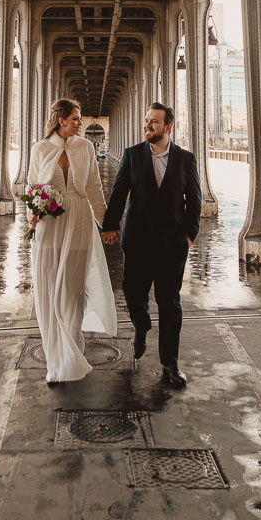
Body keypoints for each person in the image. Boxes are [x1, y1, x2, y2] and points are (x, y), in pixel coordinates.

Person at [101, 102, 201, 388]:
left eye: (154, 122)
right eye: (146, 120)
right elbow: (119, 191)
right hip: (138, 242)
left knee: (170, 303)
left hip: (172, 244)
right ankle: (142, 326)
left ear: (167, 127)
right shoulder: (132, 155)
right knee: (133, 295)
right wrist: (110, 225)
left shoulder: (186, 159)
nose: (147, 125)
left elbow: (194, 201)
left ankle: (170, 363)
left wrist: (189, 235)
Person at [27, 98, 117, 385]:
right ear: (61, 120)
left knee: (74, 290)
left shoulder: (85, 148)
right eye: (76, 118)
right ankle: (55, 359)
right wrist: (34, 212)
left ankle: (72, 352)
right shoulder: (40, 149)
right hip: (50, 224)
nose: (81, 123)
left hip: (78, 220)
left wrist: (107, 224)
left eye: (79, 118)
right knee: (49, 288)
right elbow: (31, 187)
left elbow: (93, 187)